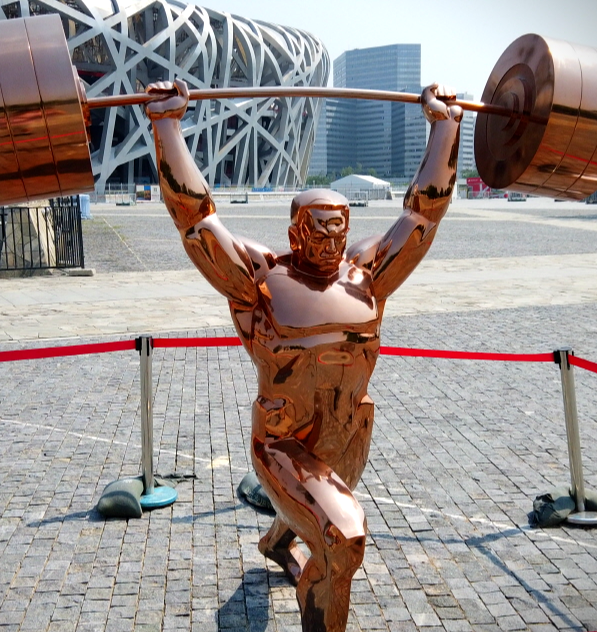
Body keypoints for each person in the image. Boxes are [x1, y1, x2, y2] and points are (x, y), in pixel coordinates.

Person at [145, 79, 462, 632]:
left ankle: (276, 541)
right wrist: (167, 125)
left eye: (339, 233)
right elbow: (196, 220)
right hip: (283, 441)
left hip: (349, 429)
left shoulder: (367, 275)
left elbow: (423, 217)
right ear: (296, 231)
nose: (330, 244)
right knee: (343, 535)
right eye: (318, 234)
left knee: (319, 508)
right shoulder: (262, 281)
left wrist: (446, 127)